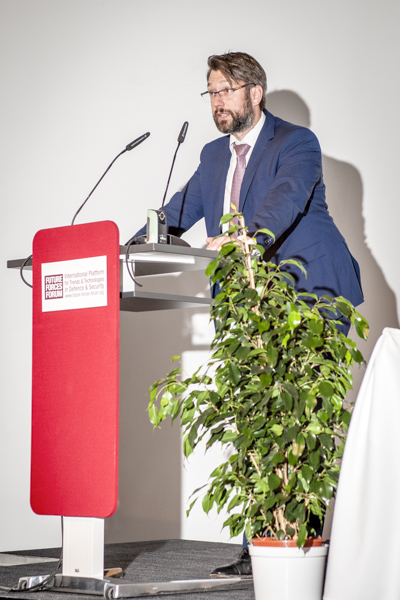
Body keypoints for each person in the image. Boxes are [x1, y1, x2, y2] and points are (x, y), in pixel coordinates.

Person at [133, 51, 364, 578]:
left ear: (254, 93)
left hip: (310, 296)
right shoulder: (214, 155)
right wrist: (128, 248)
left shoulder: (296, 142)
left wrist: (246, 238)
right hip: (248, 302)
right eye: (211, 92)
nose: (217, 101)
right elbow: (178, 211)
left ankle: (299, 549)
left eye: (226, 90)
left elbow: (285, 199)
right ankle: (260, 546)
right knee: (254, 417)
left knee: (302, 420)